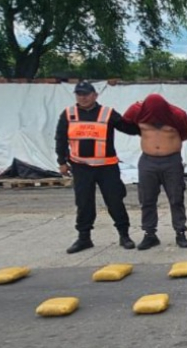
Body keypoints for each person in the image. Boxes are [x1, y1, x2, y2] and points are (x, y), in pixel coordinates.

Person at [56, 81, 140, 254]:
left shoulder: (107, 113)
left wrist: (143, 122)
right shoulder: (68, 114)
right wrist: (62, 161)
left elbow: (127, 128)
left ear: (95, 95)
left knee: (115, 201)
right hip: (81, 167)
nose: (83, 97)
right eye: (79, 94)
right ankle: (84, 238)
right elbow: (61, 139)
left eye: (86, 94)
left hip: (107, 167)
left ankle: (124, 235)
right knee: (84, 203)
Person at [124, 93, 187, 249]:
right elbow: (126, 125)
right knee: (147, 199)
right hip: (148, 160)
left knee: (176, 198)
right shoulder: (137, 111)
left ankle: (180, 232)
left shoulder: (177, 115)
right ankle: (150, 234)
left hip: (171, 161)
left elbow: (186, 133)